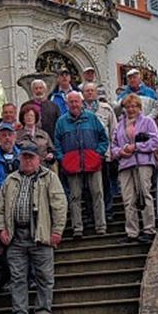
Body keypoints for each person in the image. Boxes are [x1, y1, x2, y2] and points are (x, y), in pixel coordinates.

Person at [0, 145, 67, 314]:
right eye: (24, 157)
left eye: (31, 157)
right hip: (16, 236)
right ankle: (20, 312)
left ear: (38, 159)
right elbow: (0, 208)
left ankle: (43, 310)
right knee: (17, 277)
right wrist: (1, 229)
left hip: (41, 234)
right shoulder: (10, 180)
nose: (27, 161)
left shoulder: (50, 177)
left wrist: (57, 230)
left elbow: (59, 206)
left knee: (44, 276)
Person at [54, 91, 109, 238]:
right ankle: (77, 228)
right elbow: (57, 144)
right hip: (72, 165)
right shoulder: (61, 122)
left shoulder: (92, 118)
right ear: (67, 104)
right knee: (74, 196)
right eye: (71, 102)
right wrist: (62, 159)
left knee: (97, 193)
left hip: (93, 162)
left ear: (81, 102)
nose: (74, 104)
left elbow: (104, 138)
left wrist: (98, 154)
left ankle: (101, 226)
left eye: (76, 101)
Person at [111, 95, 158, 244]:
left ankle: (149, 229)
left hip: (143, 162)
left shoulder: (147, 122)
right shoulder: (120, 125)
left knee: (145, 194)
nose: (131, 109)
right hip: (125, 164)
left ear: (139, 107)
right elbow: (113, 145)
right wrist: (120, 151)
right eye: (128, 107)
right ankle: (132, 232)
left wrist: (137, 147)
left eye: (134, 106)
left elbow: (155, 141)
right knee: (128, 199)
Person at [83, 82, 118, 222]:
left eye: (92, 90)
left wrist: (113, 150)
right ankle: (91, 213)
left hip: (103, 153)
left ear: (96, 93)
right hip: (85, 155)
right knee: (87, 186)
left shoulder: (106, 109)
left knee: (105, 184)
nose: (90, 93)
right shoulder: (78, 110)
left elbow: (113, 131)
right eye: (87, 91)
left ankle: (107, 211)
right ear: (83, 94)